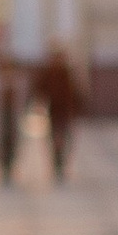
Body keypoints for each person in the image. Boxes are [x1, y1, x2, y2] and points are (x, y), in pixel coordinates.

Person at [38, 43, 82, 181]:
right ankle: (56, 164)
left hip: (65, 113)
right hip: (53, 111)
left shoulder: (67, 74)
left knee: (65, 139)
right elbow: (41, 89)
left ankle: (61, 164)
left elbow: (76, 94)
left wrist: (75, 110)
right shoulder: (49, 72)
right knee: (55, 139)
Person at [0, 63, 23, 184]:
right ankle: (4, 165)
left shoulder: (16, 84)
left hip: (12, 120)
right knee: (2, 143)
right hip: (3, 120)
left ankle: (9, 165)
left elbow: (20, 103)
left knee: (12, 142)